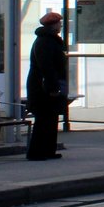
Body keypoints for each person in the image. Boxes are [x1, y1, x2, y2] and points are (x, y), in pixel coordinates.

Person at [26, 11, 68, 160]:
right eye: (59, 23)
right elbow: (46, 67)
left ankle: (48, 150)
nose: (61, 25)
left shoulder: (50, 40)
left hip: (48, 84)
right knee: (44, 119)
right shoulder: (44, 41)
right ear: (52, 25)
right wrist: (52, 88)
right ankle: (37, 153)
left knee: (51, 118)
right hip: (42, 87)